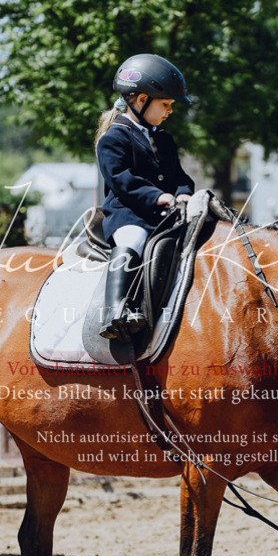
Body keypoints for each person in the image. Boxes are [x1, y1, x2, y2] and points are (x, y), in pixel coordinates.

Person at [94, 53, 195, 342]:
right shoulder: (114, 138)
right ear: (141, 100)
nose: (169, 111)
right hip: (128, 214)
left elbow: (181, 177)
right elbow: (122, 181)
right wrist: (160, 197)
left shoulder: (163, 139)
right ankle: (114, 311)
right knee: (133, 239)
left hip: (165, 214)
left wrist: (183, 194)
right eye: (165, 105)